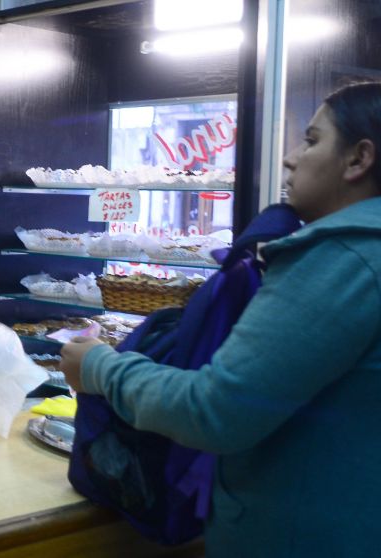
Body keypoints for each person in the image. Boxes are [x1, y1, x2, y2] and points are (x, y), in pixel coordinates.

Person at [60, 81, 381, 557]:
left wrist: (98, 368)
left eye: (312, 140)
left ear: (358, 159)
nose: (292, 157)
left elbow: (213, 410)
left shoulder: (341, 261)